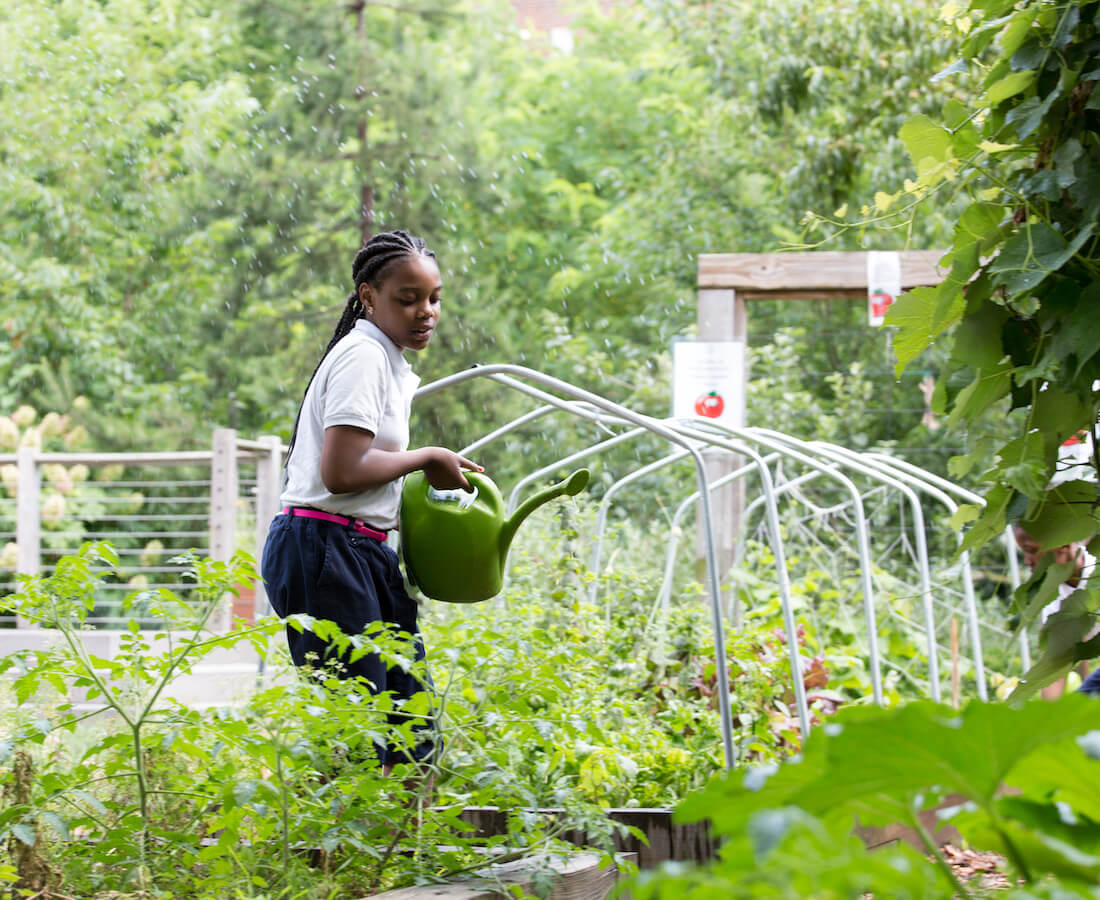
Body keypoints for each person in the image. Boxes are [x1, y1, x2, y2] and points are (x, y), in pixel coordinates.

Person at [261, 229, 479, 770]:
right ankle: (340, 849)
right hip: (324, 549)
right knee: (356, 726)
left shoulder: (386, 360)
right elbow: (340, 471)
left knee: (412, 723)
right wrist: (428, 457)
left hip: (356, 550)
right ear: (368, 296)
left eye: (433, 298)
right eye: (407, 299)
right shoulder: (362, 357)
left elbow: (362, 475)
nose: (424, 312)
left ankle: (402, 850)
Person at [1012, 524, 1096, 699]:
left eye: (1031, 550)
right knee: (1075, 714)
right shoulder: (1053, 601)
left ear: (1063, 544)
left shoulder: (1096, 569)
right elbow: (1055, 665)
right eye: (1024, 552)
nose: (1027, 561)